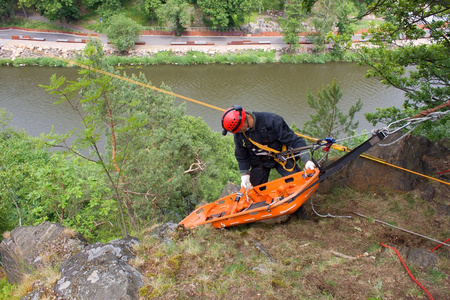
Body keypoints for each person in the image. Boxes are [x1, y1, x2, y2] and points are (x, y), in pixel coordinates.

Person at [221, 105, 316, 191]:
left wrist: (306, 160)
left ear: (244, 125)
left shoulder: (272, 121)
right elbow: (242, 155)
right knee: (254, 191)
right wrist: (244, 174)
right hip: (259, 161)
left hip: (282, 157)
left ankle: (299, 208)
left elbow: (293, 140)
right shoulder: (240, 134)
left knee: (298, 184)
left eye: (238, 130)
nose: (237, 133)